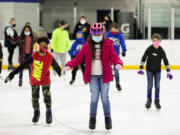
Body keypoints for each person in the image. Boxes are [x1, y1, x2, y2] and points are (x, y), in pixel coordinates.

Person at [64, 23, 123, 130]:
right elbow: (78, 58)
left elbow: (114, 57)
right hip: (92, 76)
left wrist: (118, 63)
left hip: (104, 76)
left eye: (99, 34)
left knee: (105, 97)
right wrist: (69, 65)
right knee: (94, 97)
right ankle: (92, 118)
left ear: (103, 34)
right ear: (91, 34)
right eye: (94, 35)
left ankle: (107, 118)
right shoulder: (87, 45)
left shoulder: (108, 44)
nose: (96, 36)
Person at [4, 37, 62, 124]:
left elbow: (56, 66)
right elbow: (22, 66)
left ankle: (48, 111)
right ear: (37, 46)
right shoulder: (34, 56)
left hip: (45, 79)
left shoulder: (50, 57)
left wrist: (61, 71)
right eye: (41, 45)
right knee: (35, 97)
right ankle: (36, 112)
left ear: (48, 46)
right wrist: (12, 74)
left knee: (47, 96)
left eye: (45, 45)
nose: (43, 47)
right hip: (34, 80)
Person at [137, 33, 173, 110]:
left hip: (157, 71)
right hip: (149, 70)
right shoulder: (149, 49)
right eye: (154, 41)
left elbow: (165, 61)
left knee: (157, 85)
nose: (156, 42)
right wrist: (141, 68)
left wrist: (168, 71)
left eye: (157, 41)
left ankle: (157, 100)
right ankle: (149, 100)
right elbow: (144, 57)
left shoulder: (161, 50)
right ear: (152, 41)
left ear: (160, 41)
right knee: (150, 85)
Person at [106, 23, 127, 91]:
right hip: (108, 55)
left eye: (116, 30)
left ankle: (117, 84)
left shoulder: (119, 36)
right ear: (111, 29)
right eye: (113, 30)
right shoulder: (108, 35)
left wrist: (124, 50)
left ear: (118, 29)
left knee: (116, 71)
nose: (114, 31)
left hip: (115, 56)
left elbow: (123, 43)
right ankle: (105, 85)